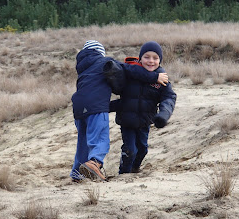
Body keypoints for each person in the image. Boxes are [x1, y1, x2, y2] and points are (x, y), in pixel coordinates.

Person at [70, 40, 168, 182]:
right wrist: (155, 77)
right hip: (96, 107)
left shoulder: (83, 69)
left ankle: (76, 173)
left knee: (83, 141)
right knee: (100, 139)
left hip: (78, 108)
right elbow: (129, 68)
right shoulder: (105, 61)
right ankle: (95, 162)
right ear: (100, 53)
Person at [110, 41, 177, 174]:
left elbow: (169, 97)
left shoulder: (162, 80)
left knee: (143, 150)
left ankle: (135, 169)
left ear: (160, 60)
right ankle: (124, 174)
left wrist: (163, 114)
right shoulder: (130, 72)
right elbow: (117, 66)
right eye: (147, 57)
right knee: (130, 150)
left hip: (145, 121)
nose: (151, 61)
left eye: (155, 58)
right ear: (140, 58)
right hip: (127, 121)